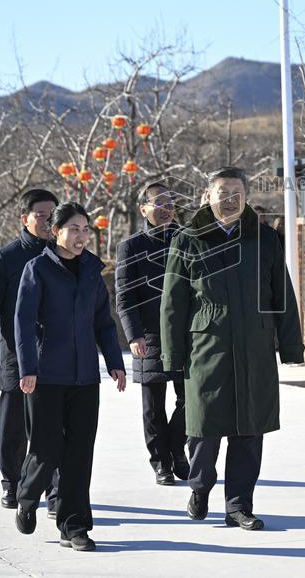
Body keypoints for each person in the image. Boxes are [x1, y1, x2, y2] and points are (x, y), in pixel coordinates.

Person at [161, 167, 303, 531]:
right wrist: (171, 355)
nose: (230, 198)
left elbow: (281, 295)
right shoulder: (189, 238)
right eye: (222, 191)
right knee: (203, 427)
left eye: (237, 192)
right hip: (206, 346)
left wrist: (290, 346)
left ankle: (239, 505)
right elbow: (173, 302)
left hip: (255, 346)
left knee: (249, 429)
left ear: (246, 197)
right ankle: (199, 487)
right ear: (207, 196)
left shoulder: (265, 238)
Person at [13, 202, 127, 552]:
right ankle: (28, 495)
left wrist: (113, 362)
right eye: (74, 229)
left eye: (85, 229)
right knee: (47, 449)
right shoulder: (37, 270)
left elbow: (103, 322)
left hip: (84, 378)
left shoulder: (93, 269)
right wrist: (28, 368)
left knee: (79, 453)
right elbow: (23, 322)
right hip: (46, 377)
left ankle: (74, 526)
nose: (81, 236)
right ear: (56, 231)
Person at [0, 189, 60, 513]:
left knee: (52, 425)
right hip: (13, 355)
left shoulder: (62, 254)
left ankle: (54, 491)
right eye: (41, 214)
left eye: (52, 214)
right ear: (24, 219)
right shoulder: (7, 257)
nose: (47, 220)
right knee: (13, 427)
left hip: (53, 355)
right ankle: (12, 484)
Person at [115, 181, 189, 486]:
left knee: (192, 400)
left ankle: (177, 448)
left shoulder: (187, 239)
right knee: (153, 405)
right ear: (144, 209)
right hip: (149, 335)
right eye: (158, 203)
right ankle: (161, 462)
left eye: (170, 203)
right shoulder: (131, 247)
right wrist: (133, 335)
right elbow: (124, 296)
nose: (166, 208)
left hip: (187, 334)